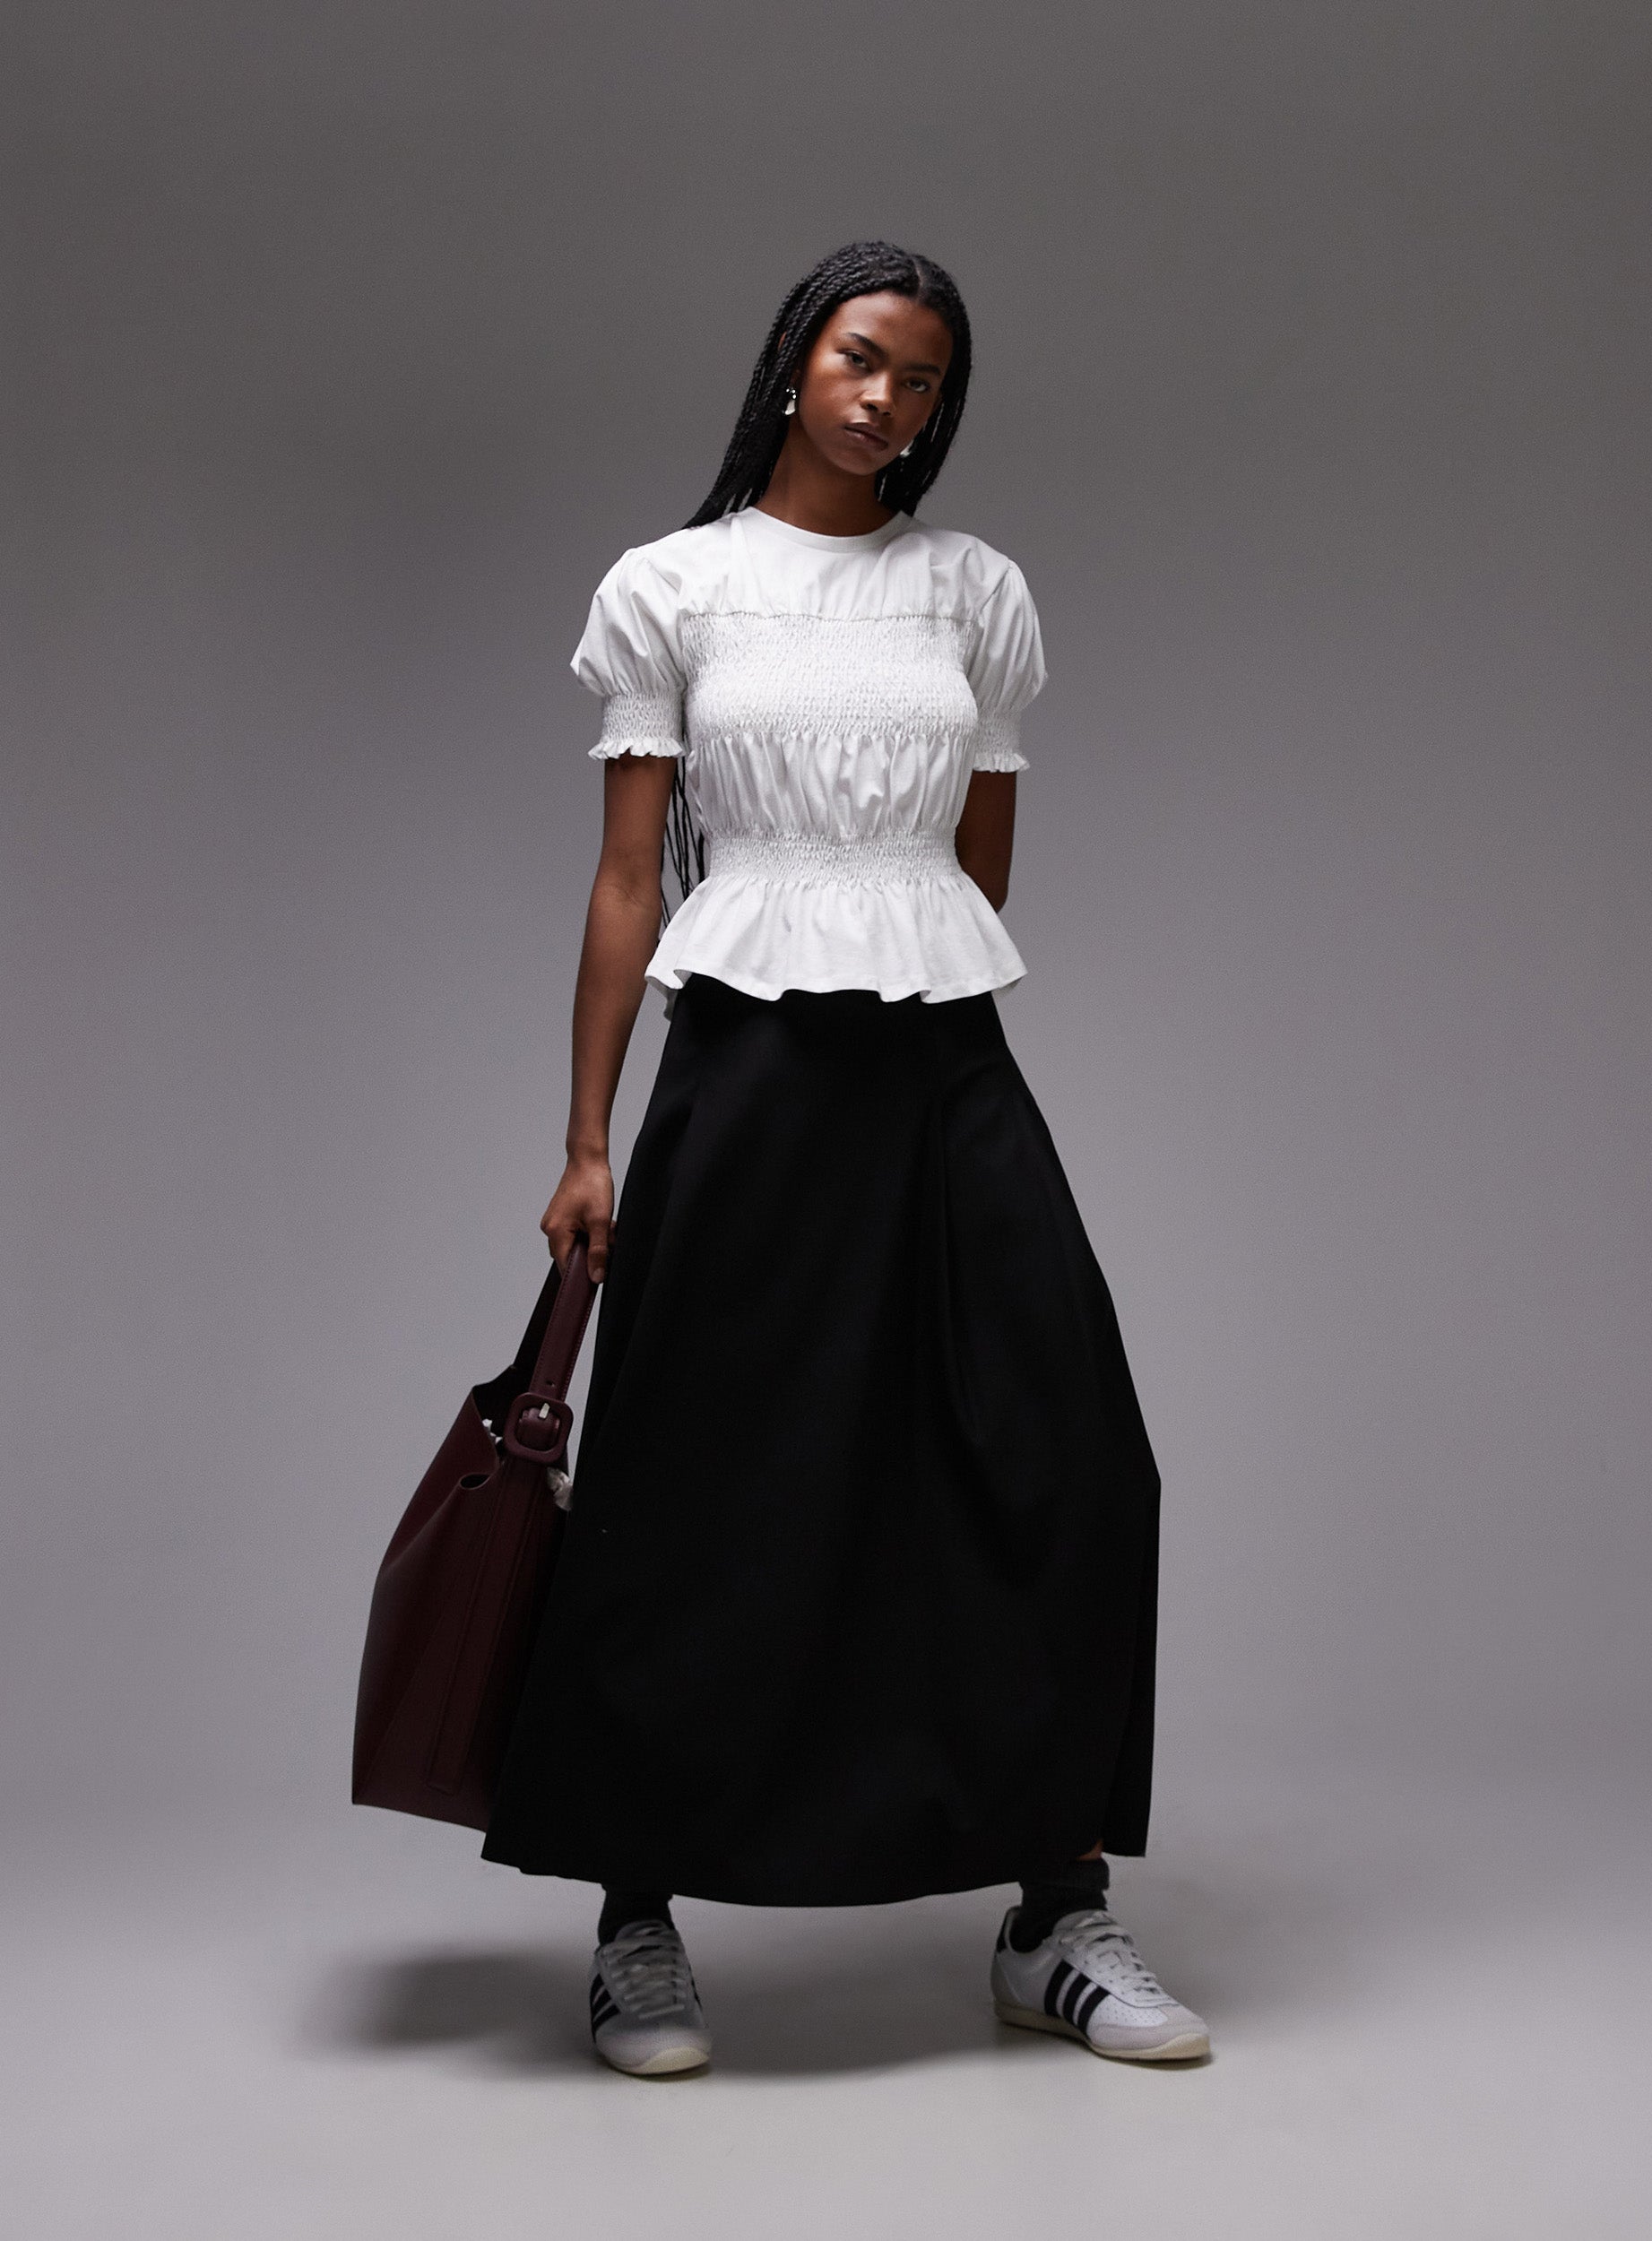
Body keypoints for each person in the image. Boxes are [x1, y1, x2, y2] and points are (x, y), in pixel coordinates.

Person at [480, 240, 1210, 2076]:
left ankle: (1053, 1913)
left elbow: (977, 869)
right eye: (862, 357)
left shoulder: (974, 592)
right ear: (796, 360)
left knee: (1067, 1456)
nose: (888, 401)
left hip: (940, 1061)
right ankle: (636, 1916)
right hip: (741, 1063)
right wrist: (587, 1136)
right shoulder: (674, 587)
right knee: (692, 1475)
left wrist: (904, 963)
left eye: (924, 380)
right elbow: (627, 880)